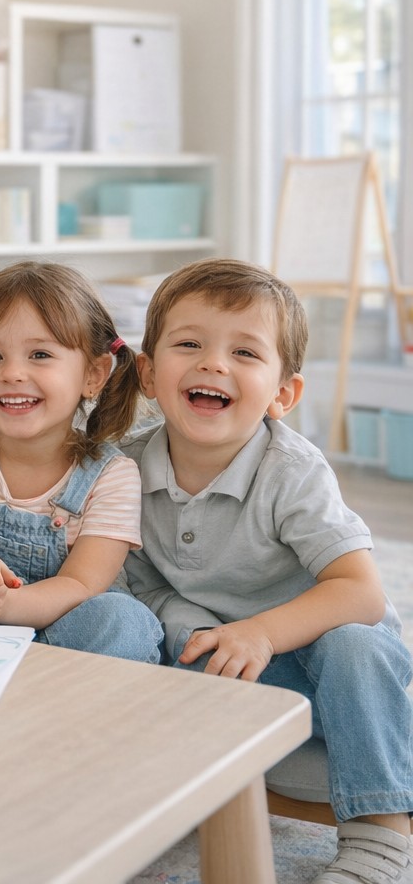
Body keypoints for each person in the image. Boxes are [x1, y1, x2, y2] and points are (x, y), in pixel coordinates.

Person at [122, 258, 412, 881]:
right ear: (148, 372)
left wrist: (260, 632)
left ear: (283, 394)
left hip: (326, 659)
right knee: (154, 635)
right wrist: (194, 623)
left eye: (244, 353)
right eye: (189, 344)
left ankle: (381, 840)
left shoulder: (292, 472)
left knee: (359, 651)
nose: (213, 364)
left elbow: (360, 594)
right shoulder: (125, 469)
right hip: (234, 671)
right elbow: (138, 579)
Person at [0, 261, 163, 663]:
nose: (13, 373)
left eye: (40, 354)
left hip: (71, 640)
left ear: (93, 375)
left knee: (125, 621)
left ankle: (54, 710)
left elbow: (80, 585)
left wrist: (7, 604)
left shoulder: (112, 475)